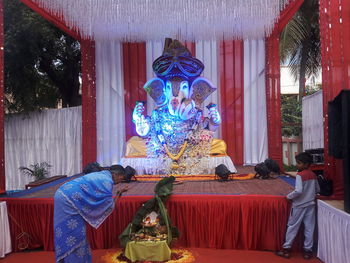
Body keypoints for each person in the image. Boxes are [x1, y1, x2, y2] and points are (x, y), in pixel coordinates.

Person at [53, 165, 128, 263]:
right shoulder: (107, 181)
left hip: (62, 194)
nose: (119, 182)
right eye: (120, 179)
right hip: (69, 201)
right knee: (75, 232)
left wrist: (118, 193)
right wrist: (118, 195)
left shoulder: (102, 175)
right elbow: (108, 206)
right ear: (115, 174)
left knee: (64, 229)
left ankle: (66, 258)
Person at [276, 152, 320, 260]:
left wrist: (289, 196)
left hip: (299, 205)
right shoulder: (313, 175)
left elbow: (299, 191)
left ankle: (286, 249)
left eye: (299, 163)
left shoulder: (300, 175)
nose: (297, 165)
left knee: (292, 226)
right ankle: (307, 251)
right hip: (310, 204)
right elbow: (317, 190)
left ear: (306, 164)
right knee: (310, 228)